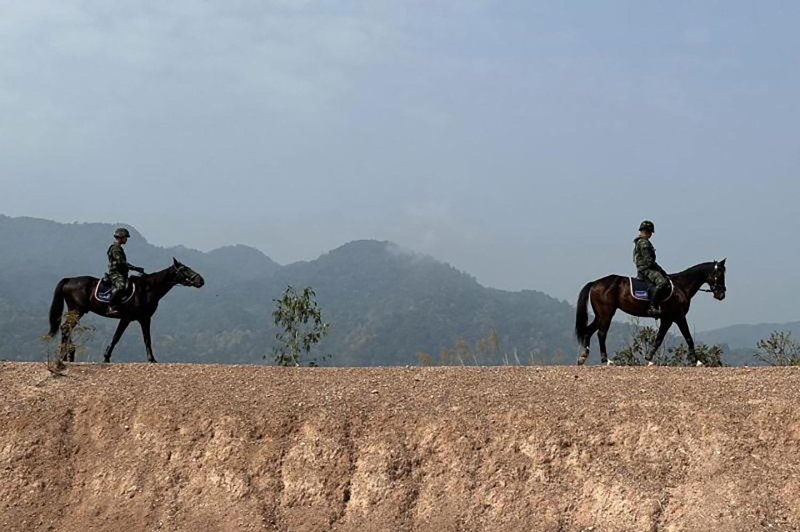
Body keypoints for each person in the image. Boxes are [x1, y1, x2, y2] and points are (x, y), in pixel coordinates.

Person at [633, 220, 669, 317]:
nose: (649, 234)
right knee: (662, 282)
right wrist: (661, 270)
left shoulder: (640, 241)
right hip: (646, 269)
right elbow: (649, 262)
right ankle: (652, 307)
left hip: (643, 268)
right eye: (648, 232)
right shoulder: (644, 243)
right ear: (647, 232)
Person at [107, 227, 144, 314]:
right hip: (116, 273)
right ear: (120, 237)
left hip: (122, 273)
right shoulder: (115, 249)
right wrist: (135, 268)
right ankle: (111, 306)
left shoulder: (119, 248)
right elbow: (121, 263)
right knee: (121, 286)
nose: (126, 239)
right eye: (125, 237)